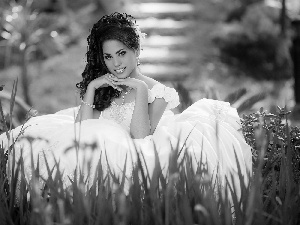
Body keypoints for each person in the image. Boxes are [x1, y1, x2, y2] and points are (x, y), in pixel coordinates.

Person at [0, 13, 252, 197]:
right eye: (108, 57)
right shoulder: (104, 86)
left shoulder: (160, 93)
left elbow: (140, 137)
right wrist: (91, 88)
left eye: (122, 53)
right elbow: (81, 130)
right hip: (97, 144)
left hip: (134, 149)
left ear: (136, 51)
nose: (115, 64)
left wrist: (140, 89)